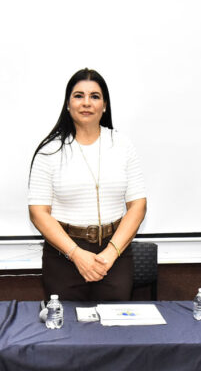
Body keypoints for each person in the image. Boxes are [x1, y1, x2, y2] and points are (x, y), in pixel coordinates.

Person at [28, 68, 147, 301]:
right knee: (66, 330)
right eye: (78, 95)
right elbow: (38, 212)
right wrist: (76, 254)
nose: (86, 103)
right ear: (68, 104)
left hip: (114, 254)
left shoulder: (122, 145)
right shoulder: (49, 151)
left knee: (114, 332)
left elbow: (138, 205)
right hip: (63, 255)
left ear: (104, 105)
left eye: (95, 96)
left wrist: (111, 253)